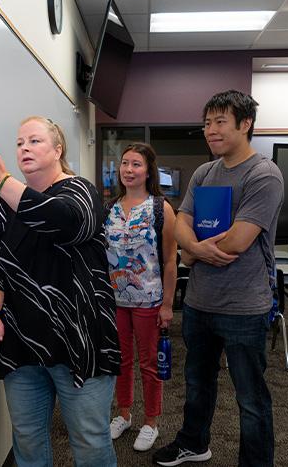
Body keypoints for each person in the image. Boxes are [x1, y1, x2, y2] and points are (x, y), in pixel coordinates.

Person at [0, 116, 120, 467]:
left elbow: (61, 220)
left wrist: (2, 180)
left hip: (79, 341)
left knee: (90, 441)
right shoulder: (7, 203)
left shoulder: (81, 191)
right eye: (20, 143)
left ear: (57, 149)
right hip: (22, 343)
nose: (24, 149)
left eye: (34, 141)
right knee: (28, 442)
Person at [153, 90, 284, 467]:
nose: (210, 130)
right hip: (199, 303)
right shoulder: (204, 172)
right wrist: (192, 247)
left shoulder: (264, 174)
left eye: (220, 122)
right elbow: (180, 222)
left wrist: (192, 252)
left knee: (251, 398)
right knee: (197, 385)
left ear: (245, 124)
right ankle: (194, 442)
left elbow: (240, 240)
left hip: (244, 307)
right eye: (207, 122)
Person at [105, 143, 177, 452]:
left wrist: (168, 304)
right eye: (124, 163)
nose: (129, 169)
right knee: (119, 362)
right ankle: (123, 414)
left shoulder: (160, 208)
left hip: (150, 301)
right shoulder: (108, 208)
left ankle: (151, 422)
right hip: (115, 301)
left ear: (148, 171)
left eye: (136, 164)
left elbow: (171, 260)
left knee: (149, 363)